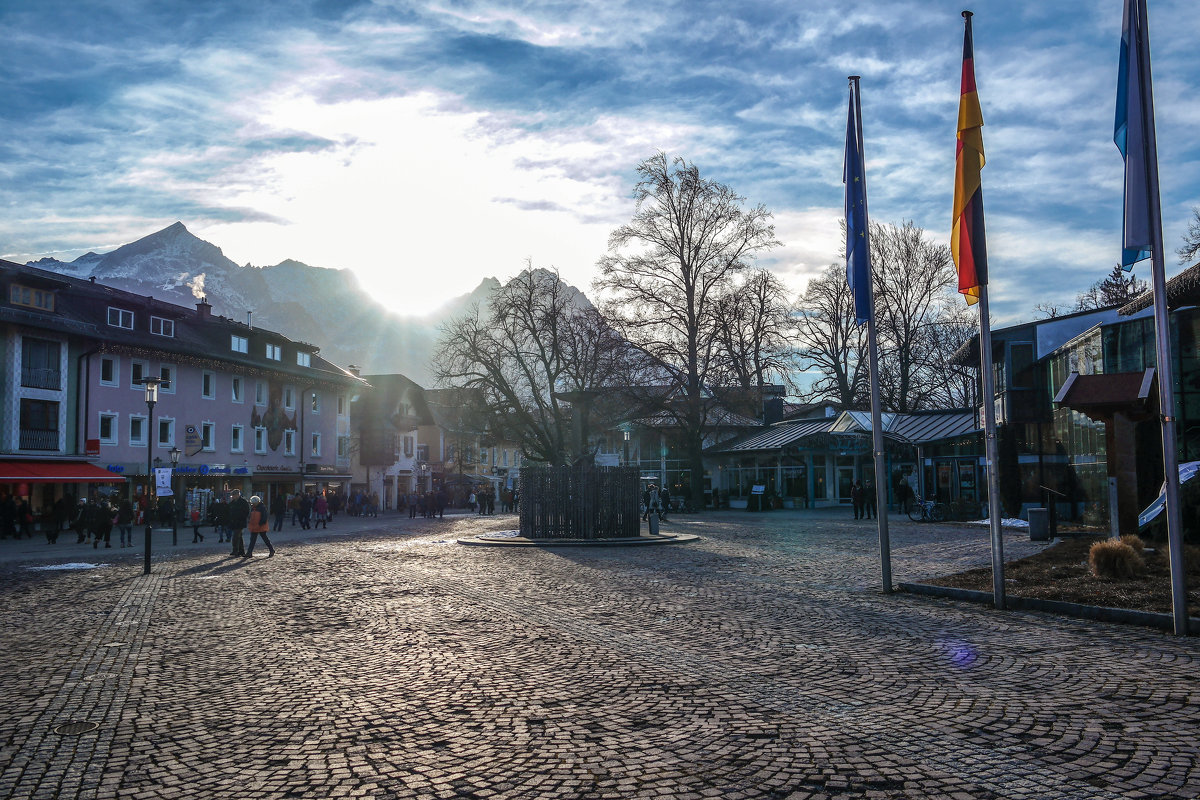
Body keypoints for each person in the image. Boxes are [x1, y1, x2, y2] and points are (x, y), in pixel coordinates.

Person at [227, 489, 250, 557]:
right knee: (239, 537)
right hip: (234, 522)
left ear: (237, 495)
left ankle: (235, 550)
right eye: (232, 495)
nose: (232, 497)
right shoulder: (232, 503)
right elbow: (229, 510)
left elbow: (246, 511)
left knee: (235, 537)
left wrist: (241, 517)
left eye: (233, 495)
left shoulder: (243, 502)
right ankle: (241, 551)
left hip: (240, 522)